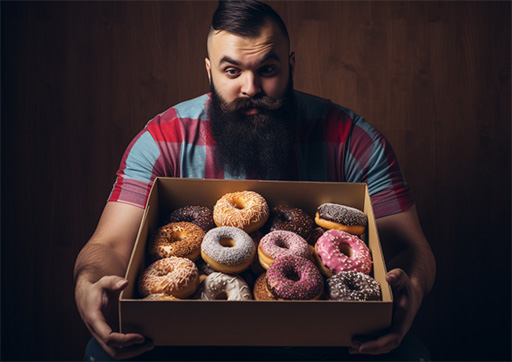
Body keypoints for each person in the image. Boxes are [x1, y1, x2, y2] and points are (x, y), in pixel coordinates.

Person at [74, 1, 436, 361]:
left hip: (325, 339)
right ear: (209, 71)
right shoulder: (161, 140)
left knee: (410, 354)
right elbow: (109, 245)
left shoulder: (352, 140)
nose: (250, 87)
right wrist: (89, 282)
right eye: (232, 71)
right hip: (188, 339)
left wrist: (412, 287)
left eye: (267, 68)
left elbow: (409, 247)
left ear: (290, 66)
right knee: (101, 354)